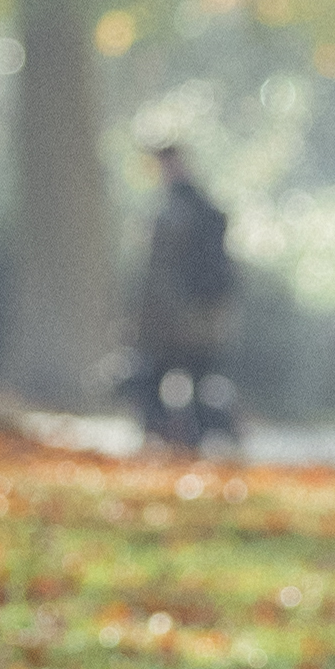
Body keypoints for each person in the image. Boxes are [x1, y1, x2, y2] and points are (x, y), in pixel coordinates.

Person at [132, 142, 244, 453]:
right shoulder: (201, 209)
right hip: (200, 319)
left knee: (165, 380)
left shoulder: (178, 213)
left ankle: (179, 440)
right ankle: (192, 440)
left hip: (181, 321)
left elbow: (162, 275)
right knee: (194, 381)